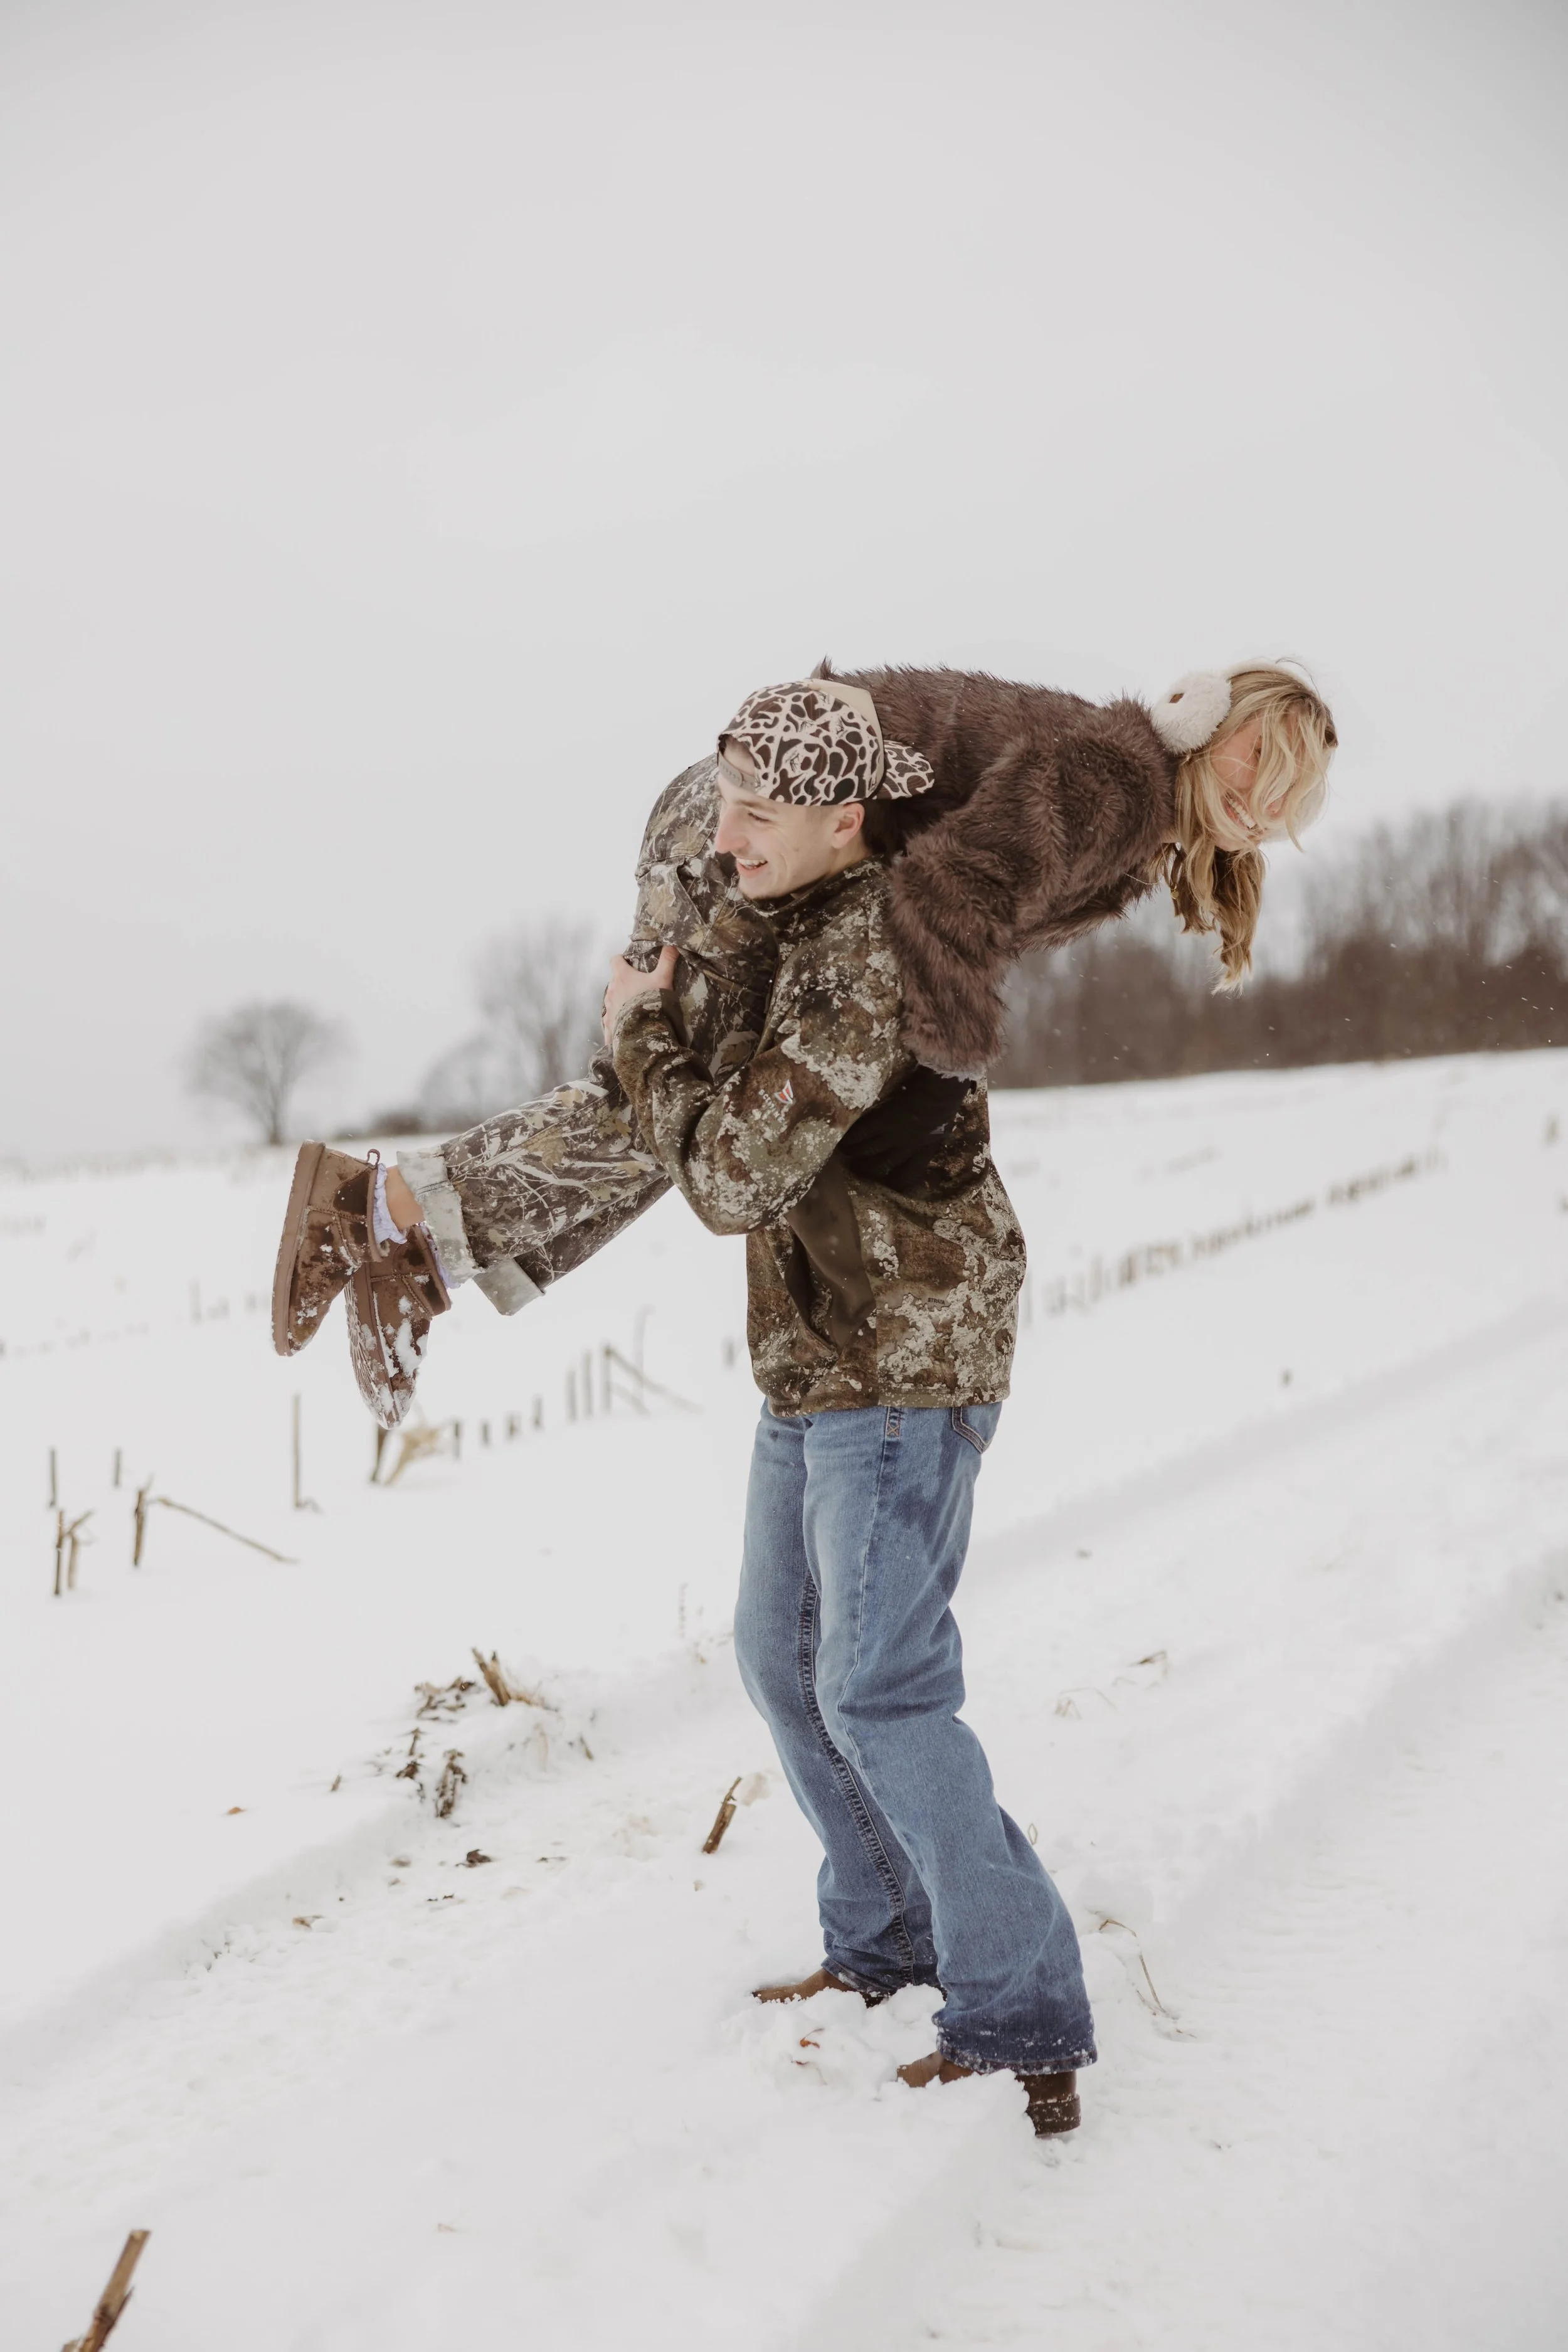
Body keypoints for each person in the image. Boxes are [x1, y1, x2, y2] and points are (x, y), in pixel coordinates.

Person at [270, 662, 1337, 2133]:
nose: (1264, 797)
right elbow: (945, 896)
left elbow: (735, 1159)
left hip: (896, 1347)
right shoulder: (1097, 789)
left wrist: (886, 1031)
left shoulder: (1006, 870)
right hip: (836, 1314)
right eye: (1254, 755)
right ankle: (888, 1937)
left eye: (1293, 783)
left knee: (873, 1686)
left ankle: (1018, 2006)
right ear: (1202, 723)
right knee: (786, 1657)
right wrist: (920, 1015)